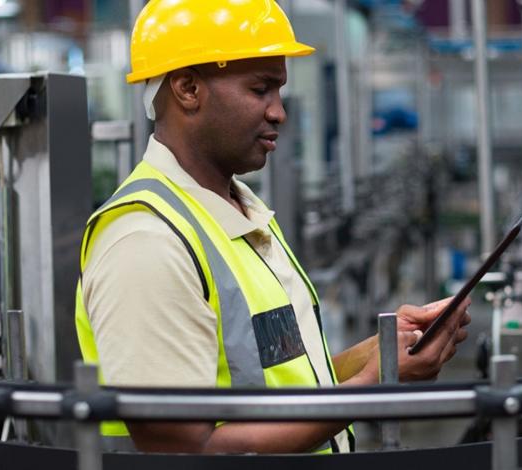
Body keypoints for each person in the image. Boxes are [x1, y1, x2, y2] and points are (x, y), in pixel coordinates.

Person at [73, 0, 472, 454]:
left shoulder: (240, 210)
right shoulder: (146, 240)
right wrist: (370, 384)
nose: (279, 112)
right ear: (187, 88)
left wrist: (381, 351)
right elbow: (186, 449)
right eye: (261, 88)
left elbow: (284, 381)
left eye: (278, 91)